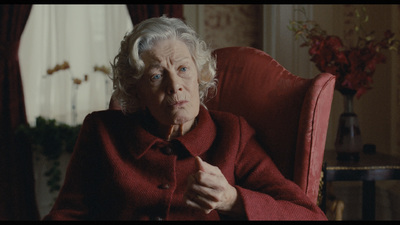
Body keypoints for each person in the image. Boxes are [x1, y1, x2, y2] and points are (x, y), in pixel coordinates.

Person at [43, 16, 327, 221]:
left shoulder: (232, 133)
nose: (174, 85)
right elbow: (67, 213)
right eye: (156, 76)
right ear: (136, 91)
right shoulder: (102, 131)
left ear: (200, 74)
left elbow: (308, 215)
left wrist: (231, 199)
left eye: (183, 69)